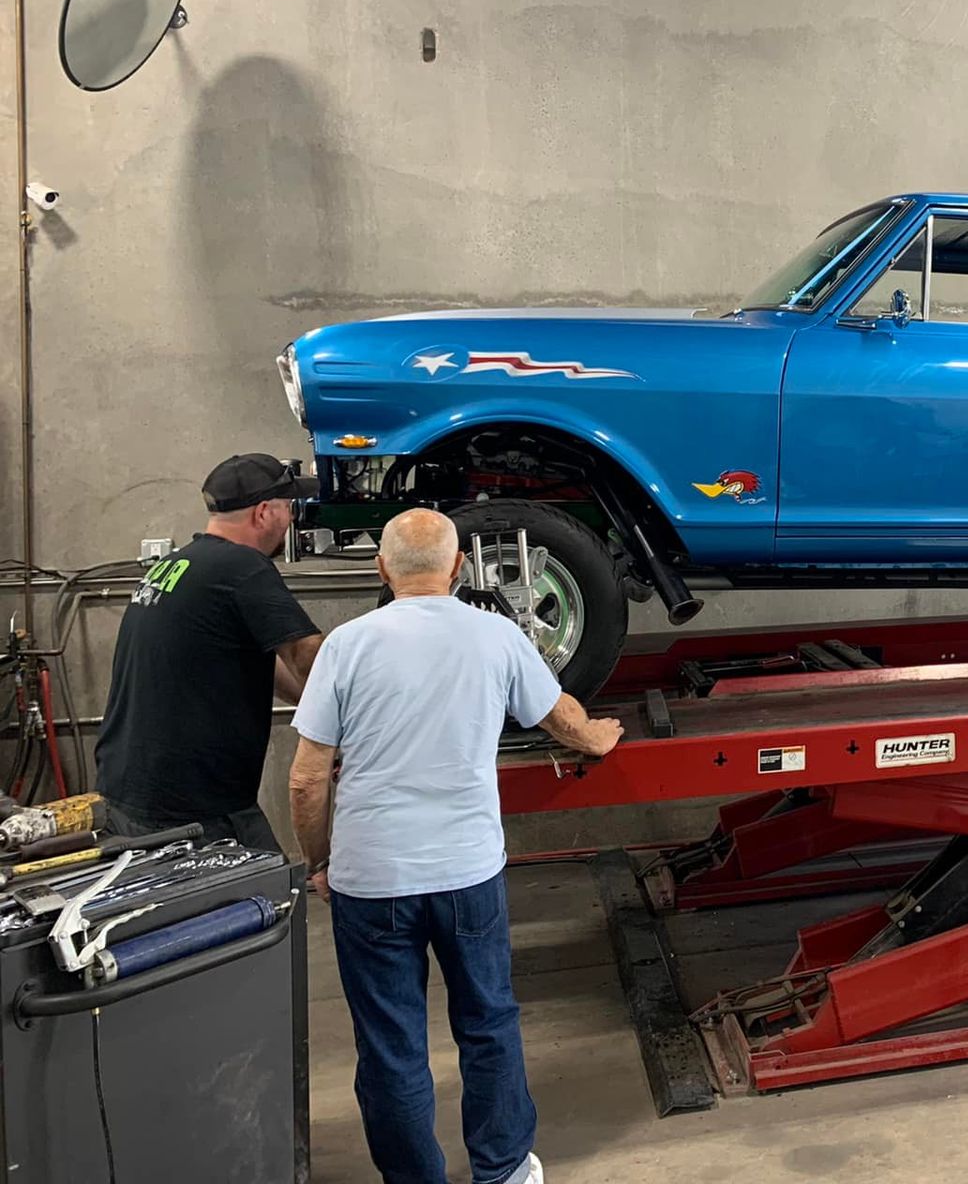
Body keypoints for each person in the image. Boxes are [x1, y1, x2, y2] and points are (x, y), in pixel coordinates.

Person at [289, 508, 623, 1184]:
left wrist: (323, 860)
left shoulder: (346, 645)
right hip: (467, 872)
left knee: (391, 1046)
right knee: (488, 1023)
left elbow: (306, 778)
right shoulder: (495, 634)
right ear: (459, 568)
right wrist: (598, 738)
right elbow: (558, 715)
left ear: (382, 570)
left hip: (372, 879)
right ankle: (501, 1171)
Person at [94, 452, 324, 851]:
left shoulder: (176, 564)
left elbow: (257, 659)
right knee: (267, 904)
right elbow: (309, 655)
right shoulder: (243, 568)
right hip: (193, 809)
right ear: (264, 512)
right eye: (288, 508)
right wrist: (356, 718)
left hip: (129, 790)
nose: (291, 521)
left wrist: (311, 702)